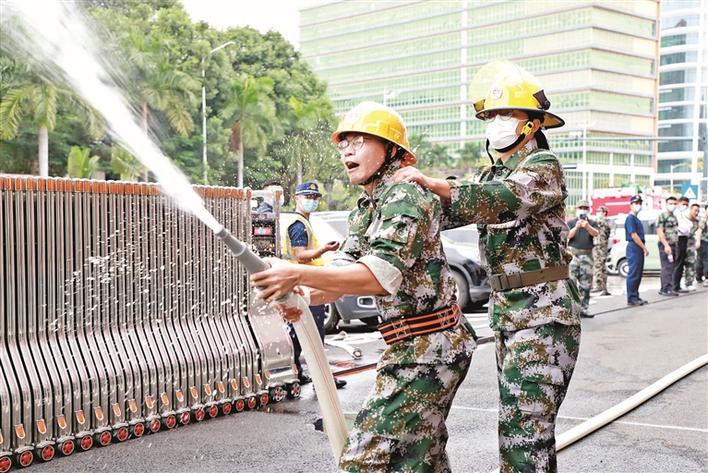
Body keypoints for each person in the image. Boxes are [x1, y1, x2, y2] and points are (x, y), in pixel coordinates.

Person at [252, 101, 476, 472]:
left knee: (364, 460)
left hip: (430, 347)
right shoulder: (366, 208)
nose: (347, 150)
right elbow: (344, 272)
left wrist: (296, 273)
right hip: (412, 345)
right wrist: (303, 296)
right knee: (418, 461)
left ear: (391, 150)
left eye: (359, 141)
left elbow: (378, 275)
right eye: (343, 144)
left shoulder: (406, 196)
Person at [392, 61, 581, 473]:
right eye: (490, 115)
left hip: (543, 312)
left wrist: (440, 185)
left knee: (524, 433)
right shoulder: (491, 172)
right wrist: (402, 199)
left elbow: (502, 198)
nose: (495, 122)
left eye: (505, 114)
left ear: (531, 124)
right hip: (509, 312)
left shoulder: (543, 167)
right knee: (518, 431)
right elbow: (452, 210)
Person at [282, 181, 346, 389]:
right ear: (297, 198)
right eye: (307, 197)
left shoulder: (303, 223)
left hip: (303, 285)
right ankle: (323, 380)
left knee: (300, 335)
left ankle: (297, 374)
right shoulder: (299, 225)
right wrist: (324, 250)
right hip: (306, 285)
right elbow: (300, 255)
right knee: (314, 336)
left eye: (314, 198)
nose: (312, 201)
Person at [567, 200, 599, 317]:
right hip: (573, 256)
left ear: (588, 210)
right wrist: (576, 227)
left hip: (587, 255)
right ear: (577, 209)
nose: (583, 209)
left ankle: (584, 308)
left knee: (586, 285)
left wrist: (587, 226)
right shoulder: (571, 222)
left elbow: (596, 233)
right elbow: (567, 235)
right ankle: (572, 310)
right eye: (581, 207)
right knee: (571, 283)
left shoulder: (592, 222)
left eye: (585, 208)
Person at [625, 195, 649, 306]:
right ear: (631, 205)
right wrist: (644, 248)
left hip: (638, 247)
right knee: (633, 273)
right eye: (636, 203)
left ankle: (635, 296)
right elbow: (634, 235)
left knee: (638, 273)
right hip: (634, 247)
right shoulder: (630, 218)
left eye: (640, 203)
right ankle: (631, 298)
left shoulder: (636, 219)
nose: (638, 205)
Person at [657, 196, 679, 296]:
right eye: (670, 203)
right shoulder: (662, 216)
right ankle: (665, 289)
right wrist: (666, 245)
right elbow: (660, 231)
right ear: (666, 204)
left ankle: (668, 287)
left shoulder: (674, 217)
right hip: (666, 245)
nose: (672, 205)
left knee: (671, 266)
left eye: (674, 203)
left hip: (674, 244)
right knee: (667, 266)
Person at [591, 205, 611, 296]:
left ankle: (598, 285)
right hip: (602, 247)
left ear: (604, 213)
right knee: (602, 268)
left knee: (598, 266)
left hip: (600, 247)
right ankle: (604, 289)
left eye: (599, 211)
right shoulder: (606, 222)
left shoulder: (602, 221)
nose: (597, 213)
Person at [673, 196, 691, 293]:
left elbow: (689, 227)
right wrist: (686, 228)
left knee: (681, 263)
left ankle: (677, 285)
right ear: (679, 203)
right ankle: (674, 286)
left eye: (687, 205)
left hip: (684, 238)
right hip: (678, 239)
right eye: (683, 204)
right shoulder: (676, 213)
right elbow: (683, 228)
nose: (685, 206)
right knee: (678, 263)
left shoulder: (682, 214)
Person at [683, 203, 701, 290]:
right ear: (690, 210)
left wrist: (697, 242)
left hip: (690, 246)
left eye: (698, 211)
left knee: (691, 264)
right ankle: (673, 284)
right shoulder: (683, 219)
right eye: (695, 210)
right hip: (681, 244)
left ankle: (689, 283)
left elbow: (698, 232)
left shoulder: (696, 222)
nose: (696, 212)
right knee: (677, 265)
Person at [697, 205, 708, 287]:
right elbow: (699, 231)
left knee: (701, 260)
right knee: (705, 260)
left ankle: (699, 276)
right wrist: (698, 241)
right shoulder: (703, 220)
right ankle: (706, 278)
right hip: (704, 241)